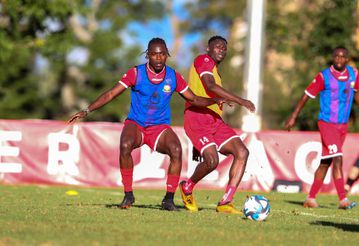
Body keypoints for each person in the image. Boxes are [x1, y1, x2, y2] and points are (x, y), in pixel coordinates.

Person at [68, 37, 225, 211]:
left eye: (162, 54)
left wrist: (215, 99)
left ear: (167, 55)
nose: (159, 58)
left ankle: (168, 199)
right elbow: (112, 94)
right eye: (154, 54)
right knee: (125, 145)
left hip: (159, 127)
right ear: (148, 55)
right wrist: (87, 110)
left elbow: (194, 99)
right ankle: (128, 194)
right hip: (136, 123)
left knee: (176, 150)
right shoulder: (136, 73)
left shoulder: (173, 76)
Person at [179, 36, 256, 214]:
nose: (222, 50)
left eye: (224, 48)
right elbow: (209, 85)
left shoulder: (215, 70)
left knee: (242, 152)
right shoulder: (203, 60)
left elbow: (213, 87)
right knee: (212, 161)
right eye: (218, 46)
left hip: (215, 120)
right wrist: (240, 100)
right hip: (197, 118)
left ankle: (225, 202)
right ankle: (187, 187)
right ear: (208, 48)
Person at [285, 46, 358, 209]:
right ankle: (343, 200)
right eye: (336, 56)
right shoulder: (324, 76)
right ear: (333, 58)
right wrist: (294, 116)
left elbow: (357, 93)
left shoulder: (354, 74)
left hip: (343, 125)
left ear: (347, 59)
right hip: (327, 124)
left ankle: (310, 198)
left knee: (326, 161)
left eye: (342, 56)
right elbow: (306, 95)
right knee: (338, 157)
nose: (339, 59)